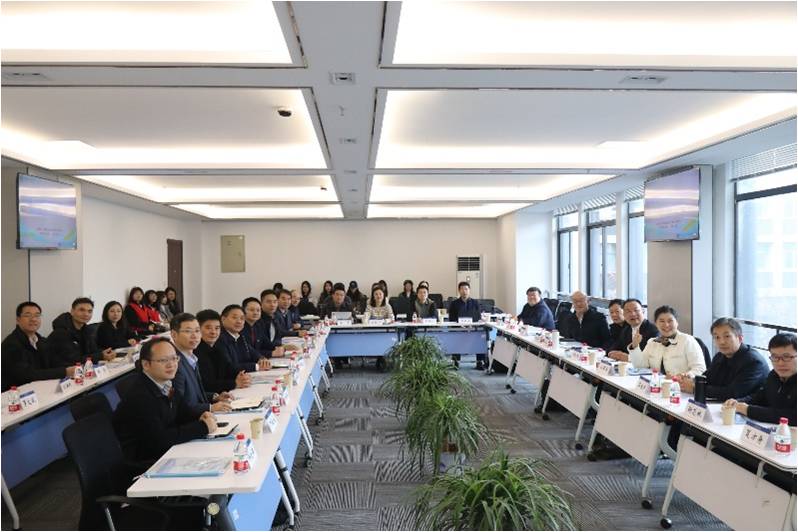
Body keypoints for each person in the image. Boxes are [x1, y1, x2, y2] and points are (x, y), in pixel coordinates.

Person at [113, 337, 217, 462]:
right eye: (163, 360)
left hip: (166, 452)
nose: (171, 364)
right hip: (147, 461)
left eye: (174, 358)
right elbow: (159, 440)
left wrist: (200, 416)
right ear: (146, 364)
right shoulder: (139, 396)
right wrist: (202, 427)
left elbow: (182, 412)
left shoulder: (166, 383)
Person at [677, 317, 769, 401]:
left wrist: (696, 388)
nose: (721, 342)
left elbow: (734, 393)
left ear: (740, 338)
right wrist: (690, 380)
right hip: (722, 405)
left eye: (727, 336)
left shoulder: (754, 362)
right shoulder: (720, 356)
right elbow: (708, 378)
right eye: (717, 337)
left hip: (746, 409)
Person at [2, 302, 76, 391]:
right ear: (18, 320)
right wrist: (64, 372)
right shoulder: (11, 344)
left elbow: (54, 361)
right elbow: (26, 375)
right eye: (27, 315)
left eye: (37, 315)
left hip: (40, 388)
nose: (33, 319)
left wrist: (73, 368)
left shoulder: (41, 341)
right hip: (17, 393)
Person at [725, 333, 796, 425]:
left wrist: (748, 409)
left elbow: (793, 416)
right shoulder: (773, 375)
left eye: (786, 357)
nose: (780, 363)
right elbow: (759, 397)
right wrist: (737, 402)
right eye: (775, 357)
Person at [170, 313, 232, 413]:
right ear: (174, 335)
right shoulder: (173, 363)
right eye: (188, 331)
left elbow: (193, 395)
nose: (194, 336)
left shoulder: (191, 358)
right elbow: (180, 405)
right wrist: (210, 407)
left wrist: (214, 397)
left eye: (197, 331)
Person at [627, 305, 705, 377]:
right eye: (662, 321)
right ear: (656, 324)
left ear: (677, 323)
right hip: (657, 384)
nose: (666, 325)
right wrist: (635, 346)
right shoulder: (652, 342)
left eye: (670, 321)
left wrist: (683, 376)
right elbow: (640, 366)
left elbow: (699, 368)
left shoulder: (687, 340)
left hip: (680, 385)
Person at [195, 309, 250, 394]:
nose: (213, 332)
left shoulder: (217, 347)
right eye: (208, 328)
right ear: (197, 329)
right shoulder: (196, 351)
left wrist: (241, 376)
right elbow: (206, 384)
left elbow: (229, 368)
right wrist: (234, 383)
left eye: (217, 328)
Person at [47, 297, 114, 367]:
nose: (86, 314)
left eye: (89, 311)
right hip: (63, 370)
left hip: (81, 368)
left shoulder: (86, 330)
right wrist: (100, 356)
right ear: (72, 311)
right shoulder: (61, 333)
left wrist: (105, 353)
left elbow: (93, 351)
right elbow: (73, 360)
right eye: (82, 310)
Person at [217, 304, 271, 373]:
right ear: (223, 319)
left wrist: (262, 359)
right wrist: (256, 366)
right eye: (234, 318)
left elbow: (253, 353)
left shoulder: (240, 337)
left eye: (242, 318)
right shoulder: (219, 338)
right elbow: (229, 367)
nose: (239, 321)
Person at [448, 281, 483, 369]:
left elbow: (478, 317)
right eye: (462, 289)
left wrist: (472, 325)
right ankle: (455, 362)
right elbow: (451, 318)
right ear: (459, 291)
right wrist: (460, 325)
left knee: (481, 337)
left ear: (469, 290)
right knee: (455, 337)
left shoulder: (475, 303)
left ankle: (480, 362)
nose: (464, 291)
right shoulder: (454, 303)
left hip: (473, 328)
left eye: (466, 289)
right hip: (459, 329)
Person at [260, 290, 301, 355]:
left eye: (274, 302)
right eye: (268, 302)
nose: (272, 305)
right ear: (261, 303)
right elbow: (259, 347)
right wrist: (273, 352)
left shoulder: (273, 317)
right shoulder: (259, 320)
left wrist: (283, 347)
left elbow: (277, 336)